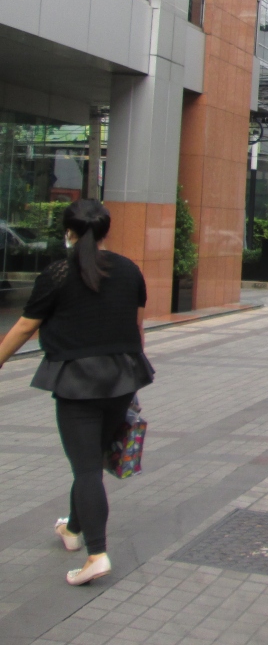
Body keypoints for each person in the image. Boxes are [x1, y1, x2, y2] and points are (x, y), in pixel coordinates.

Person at [0, 200, 154, 586]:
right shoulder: (129, 270)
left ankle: (97, 554)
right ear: (105, 231)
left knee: (86, 469)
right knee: (90, 462)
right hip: (121, 379)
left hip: (77, 383)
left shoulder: (57, 273)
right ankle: (71, 529)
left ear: (68, 231)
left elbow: (25, 327)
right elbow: (137, 327)